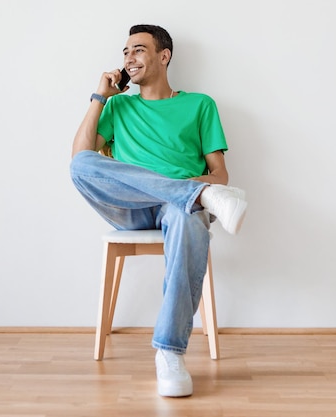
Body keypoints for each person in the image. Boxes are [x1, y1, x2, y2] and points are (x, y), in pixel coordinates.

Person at [70, 24, 247, 397]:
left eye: (138, 50)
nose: (128, 58)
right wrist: (99, 97)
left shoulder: (200, 104)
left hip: (175, 212)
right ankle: (193, 195)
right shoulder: (118, 106)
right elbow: (81, 157)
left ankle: (169, 353)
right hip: (129, 206)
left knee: (185, 214)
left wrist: (189, 194)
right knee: (80, 166)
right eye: (125, 52)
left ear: (163, 56)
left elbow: (220, 174)